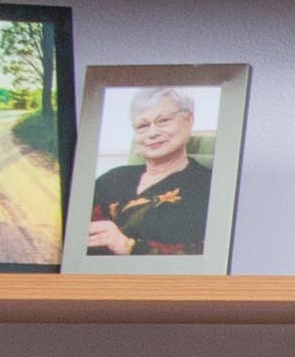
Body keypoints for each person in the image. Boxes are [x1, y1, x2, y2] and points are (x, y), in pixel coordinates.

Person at [84, 82, 212, 257]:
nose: (152, 133)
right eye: (143, 126)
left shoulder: (208, 186)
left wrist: (128, 247)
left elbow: (205, 256)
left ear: (189, 121)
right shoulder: (112, 178)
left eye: (163, 120)